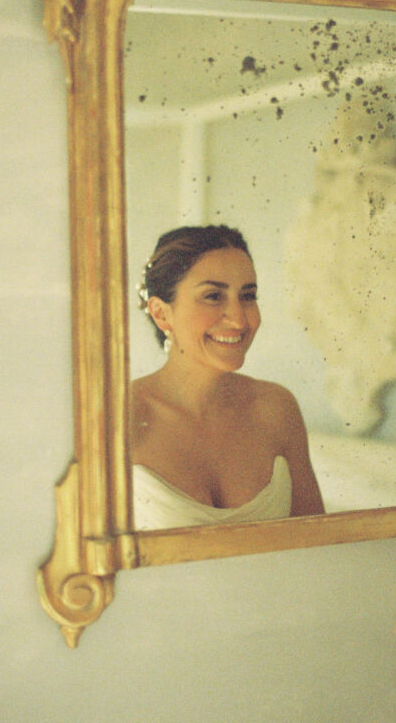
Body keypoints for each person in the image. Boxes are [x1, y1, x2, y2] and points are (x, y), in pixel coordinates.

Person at [130, 224, 324, 530]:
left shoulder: (276, 408)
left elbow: (318, 544)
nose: (239, 318)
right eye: (213, 296)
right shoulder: (122, 416)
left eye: (248, 296)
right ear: (161, 313)